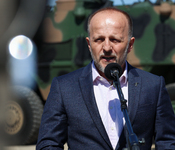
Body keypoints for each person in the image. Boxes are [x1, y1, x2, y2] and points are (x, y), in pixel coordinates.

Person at [36, 7, 175, 150]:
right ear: (89, 44)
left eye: (115, 40)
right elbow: (48, 144)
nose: (107, 47)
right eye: (99, 39)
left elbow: (168, 142)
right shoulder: (63, 87)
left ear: (130, 45)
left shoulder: (153, 85)